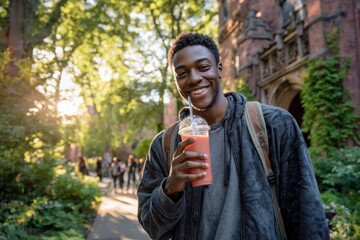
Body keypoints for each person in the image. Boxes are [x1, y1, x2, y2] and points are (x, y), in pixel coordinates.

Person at [137, 32, 330, 239]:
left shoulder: (273, 124)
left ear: (219, 69)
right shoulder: (164, 145)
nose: (193, 78)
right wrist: (171, 187)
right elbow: (152, 226)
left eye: (203, 67)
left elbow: (307, 214)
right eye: (182, 73)